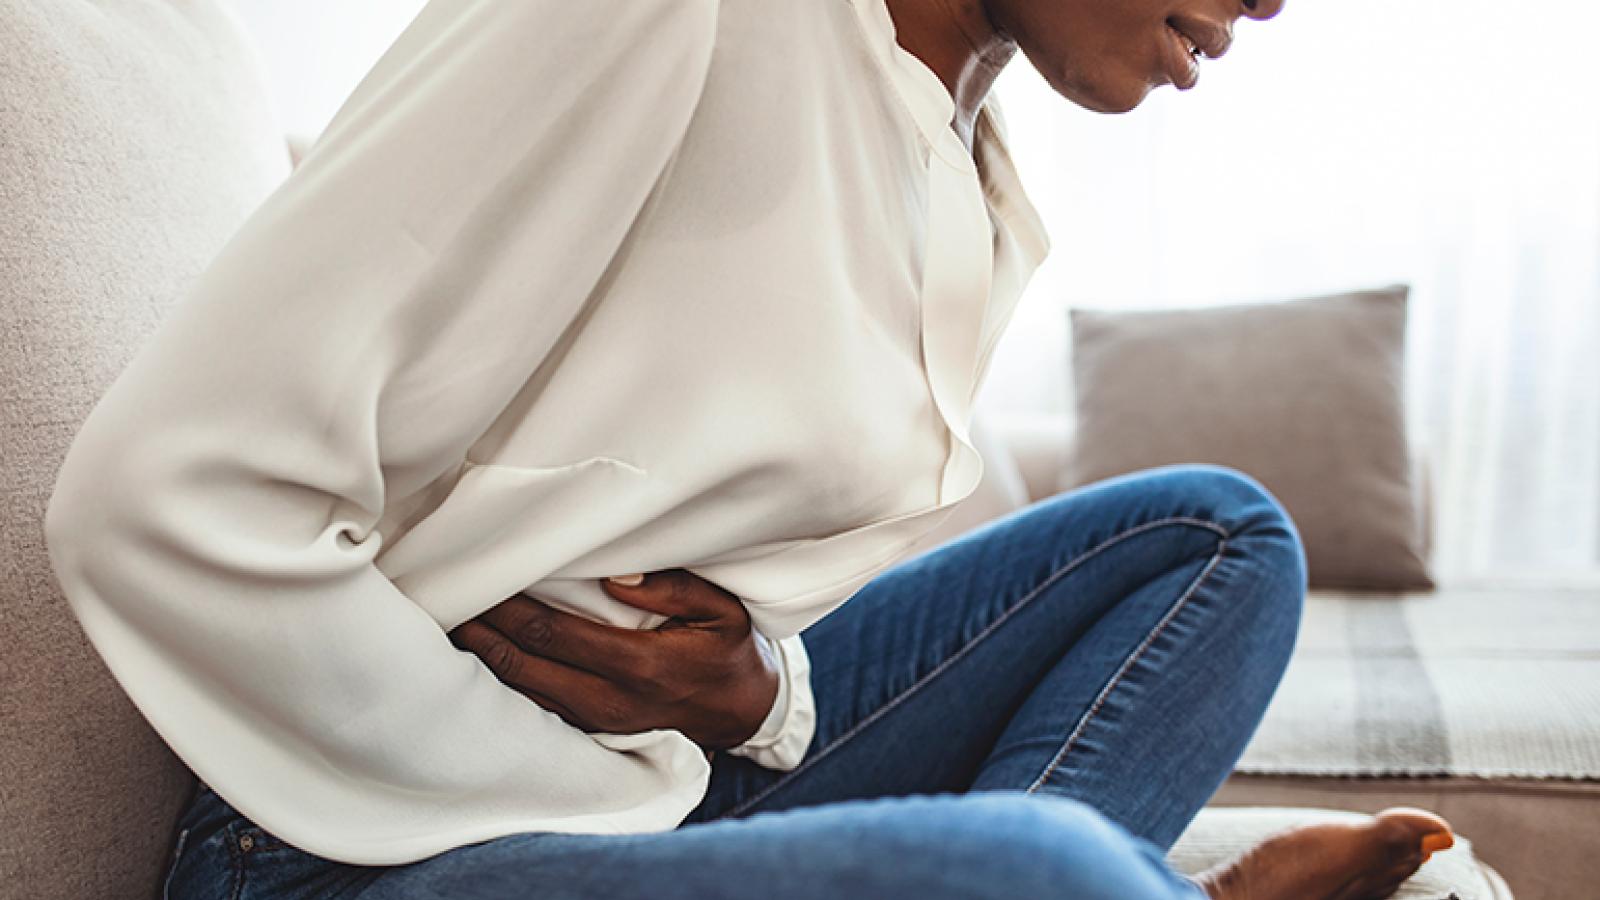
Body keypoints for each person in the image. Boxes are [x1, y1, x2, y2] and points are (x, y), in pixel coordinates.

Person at [45, 0, 1457, 898]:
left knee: (1220, 543)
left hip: (674, 778)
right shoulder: (670, 16)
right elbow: (161, 495)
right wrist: (600, 792)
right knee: (1035, 868)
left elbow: (735, 601)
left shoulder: (960, 158)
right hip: (359, 846)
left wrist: (757, 708)